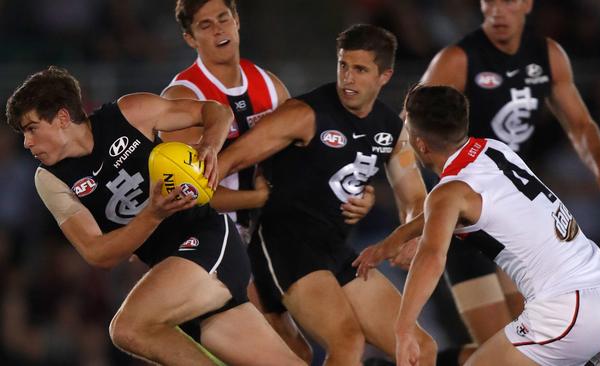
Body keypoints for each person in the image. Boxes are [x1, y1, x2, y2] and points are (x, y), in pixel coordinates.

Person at [359, 0, 600, 361]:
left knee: (515, 348)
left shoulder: (546, 56)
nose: (499, 10)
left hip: (523, 245)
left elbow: (580, 124)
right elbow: (404, 138)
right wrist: (406, 228)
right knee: (503, 344)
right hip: (598, 281)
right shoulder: (463, 74)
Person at [5, 66, 305, 366]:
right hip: (174, 271)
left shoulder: (130, 113)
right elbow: (99, 254)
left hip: (207, 239)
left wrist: (210, 147)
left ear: (61, 118)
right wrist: (153, 214)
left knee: (128, 328)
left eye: (31, 129)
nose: (27, 143)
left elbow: (215, 111)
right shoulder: (50, 180)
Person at [159, 1, 374, 361]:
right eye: (205, 25)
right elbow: (185, 196)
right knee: (289, 352)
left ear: (237, 21)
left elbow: (306, 162)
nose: (218, 31)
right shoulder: (183, 98)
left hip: (270, 237)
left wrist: (355, 188)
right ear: (189, 38)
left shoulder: (270, 86)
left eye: (224, 19)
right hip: (216, 244)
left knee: (311, 348)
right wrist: (258, 200)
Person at [215, 24, 437, 364]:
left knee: (421, 350)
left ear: (385, 75)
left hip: (336, 249)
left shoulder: (391, 130)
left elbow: (414, 199)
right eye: (343, 65)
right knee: (347, 342)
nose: (348, 78)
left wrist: (410, 237)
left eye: (360, 69)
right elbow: (223, 164)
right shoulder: (304, 114)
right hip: (285, 243)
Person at [394, 84, 600, 366]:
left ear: (420, 144)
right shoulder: (495, 150)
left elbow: (432, 255)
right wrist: (392, 242)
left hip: (567, 306)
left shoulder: (449, 192)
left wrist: (404, 329)